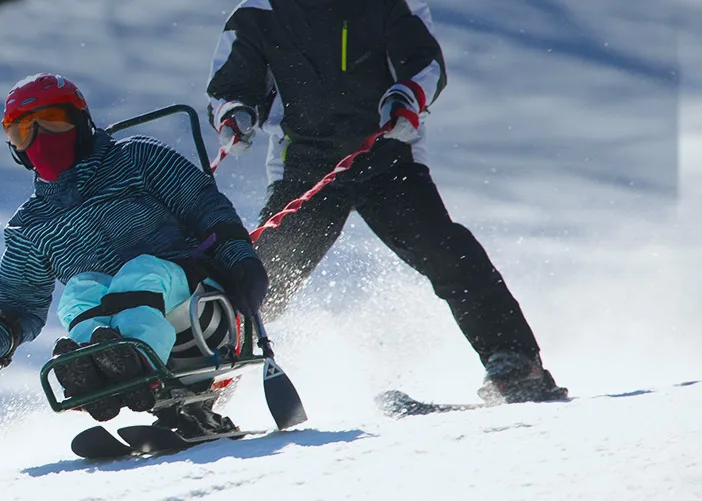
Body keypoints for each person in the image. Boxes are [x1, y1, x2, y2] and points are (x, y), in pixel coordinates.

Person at [204, 0, 566, 403]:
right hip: (306, 165)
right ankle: (206, 391)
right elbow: (230, 86)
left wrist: (406, 97)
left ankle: (515, 362)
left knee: (445, 252)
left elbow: (425, 65)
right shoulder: (259, 11)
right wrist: (235, 114)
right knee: (261, 279)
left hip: (387, 155)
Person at [0, 73, 268, 433]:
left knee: (141, 271)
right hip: (133, 325)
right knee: (79, 290)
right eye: (23, 132)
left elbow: (207, 208)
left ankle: (137, 367)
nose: (40, 139)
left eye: (53, 122)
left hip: (201, 315)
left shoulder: (136, 158)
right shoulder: (31, 225)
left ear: (81, 122)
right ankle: (98, 374)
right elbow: (18, 306)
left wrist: (240, 259)